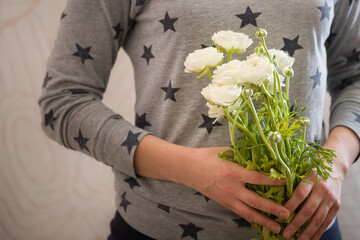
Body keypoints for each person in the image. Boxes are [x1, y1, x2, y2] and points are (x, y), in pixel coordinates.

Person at [38, 0, 360, 239]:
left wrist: (337, 163)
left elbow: (355, 76)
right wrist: (189, 167)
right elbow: (63, 99)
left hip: (310, 228)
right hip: (160, 230)